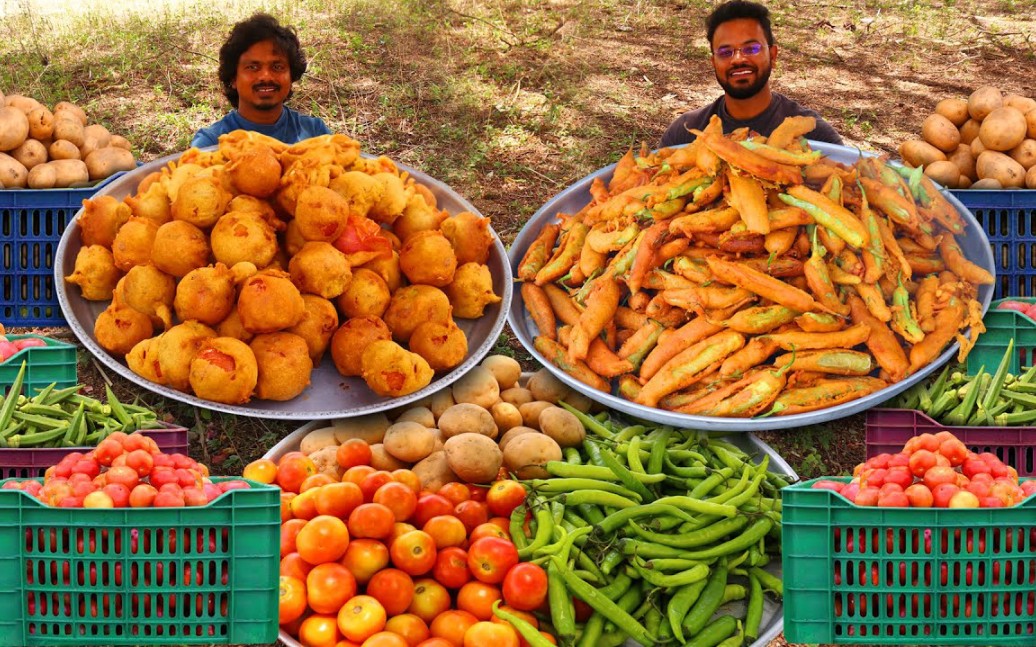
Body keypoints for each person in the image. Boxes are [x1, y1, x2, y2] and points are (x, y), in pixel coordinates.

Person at [660, 0, 842, 148]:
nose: (738, 59)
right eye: (725, 52)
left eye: (751, 48)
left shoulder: (814, 135)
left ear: (772, 55)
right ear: (714, 62)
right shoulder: (684, 133)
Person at [191, 13, 331, 148]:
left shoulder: (316, 134)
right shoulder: (211, 143)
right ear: (233, 78)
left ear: (291, 76)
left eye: (277, 67)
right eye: (252, 67)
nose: (265, 76)